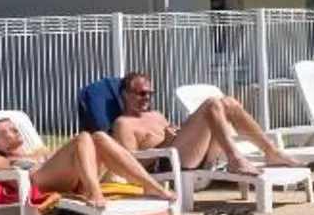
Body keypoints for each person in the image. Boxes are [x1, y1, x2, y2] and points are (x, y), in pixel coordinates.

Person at [97, 71, 302, 182]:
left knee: (228, 102)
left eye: (150, 93)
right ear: (125, 94)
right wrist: (166, 142)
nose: (146, 98)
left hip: (192, 156)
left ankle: (271, 152)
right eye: (141, 93)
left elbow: (180, 139)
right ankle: (234, 158)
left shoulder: (156, 115)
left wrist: (176, 133)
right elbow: (131, 166)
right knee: (212, 104)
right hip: (168, 165)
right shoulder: (123, 124)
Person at [0, 116, 166, 212]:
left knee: (98, 136)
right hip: (39, 182)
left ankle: (150, 184)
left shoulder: (35, 153)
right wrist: (8, 160)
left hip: (70, 179)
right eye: (8, 132)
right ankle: (94, 192)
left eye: (15, 128)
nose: (16, 132)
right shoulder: (3, 159)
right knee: (82, 138)